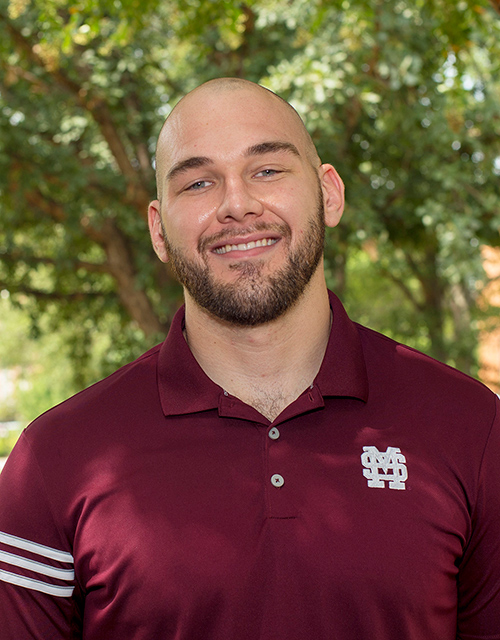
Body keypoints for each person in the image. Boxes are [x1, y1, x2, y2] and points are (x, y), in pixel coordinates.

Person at [0, 77, 499, 640]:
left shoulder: (472, 427)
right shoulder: (56, 460)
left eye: (267, 170)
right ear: (159, 231)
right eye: (198, 182)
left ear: (329, 195)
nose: (236, 205)